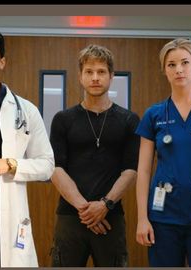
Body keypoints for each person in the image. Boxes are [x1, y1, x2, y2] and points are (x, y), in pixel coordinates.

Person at [0, 26, 55, 267]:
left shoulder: (26, 110)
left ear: (2, 61)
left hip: (9, 221)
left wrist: (9, 164)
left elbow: (47, 165)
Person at [50, 44, 140, 267]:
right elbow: (55, 168)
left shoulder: (129, 120)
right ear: (80, 77)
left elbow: (131, 170)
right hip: (70, 218)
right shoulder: (63, 119)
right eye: (89, 72)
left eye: (101, 72)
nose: (95, 77)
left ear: (111, 76)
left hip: (111, 218)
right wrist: (86, 210)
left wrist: (105, 205)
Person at [136, 38, 191, 267]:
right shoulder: (154, 114)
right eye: (171, 64)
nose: (179, 69)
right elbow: (143, 171)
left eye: (185, 62)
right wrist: (142, 218)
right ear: (164, 70)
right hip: (163, 217)